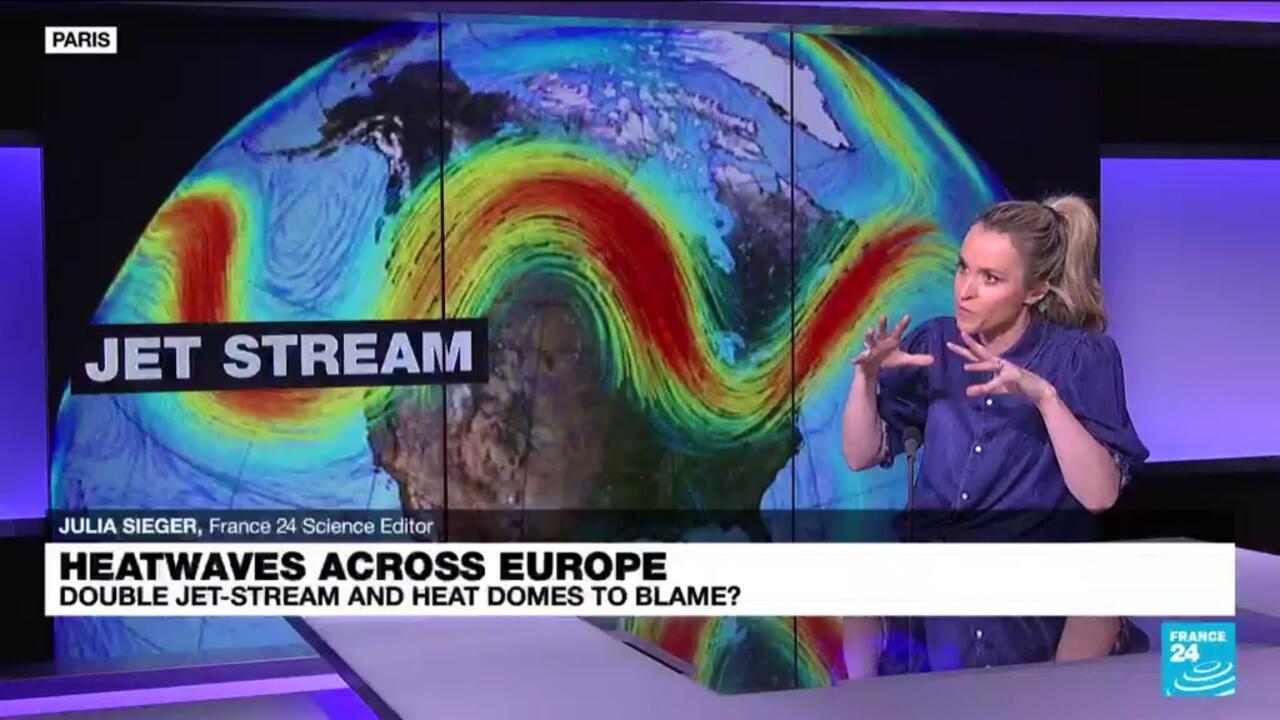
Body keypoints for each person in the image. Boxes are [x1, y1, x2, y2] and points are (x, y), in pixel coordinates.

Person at [839, 195, 1150, 678]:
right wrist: (866, 378)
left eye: (990, 278)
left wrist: (1044, 397)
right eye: (963, 269)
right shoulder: (936, 343)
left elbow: (1100, 495)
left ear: (1035, 290)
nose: (965, 291)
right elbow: (860, 455)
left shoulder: (1078, 358)